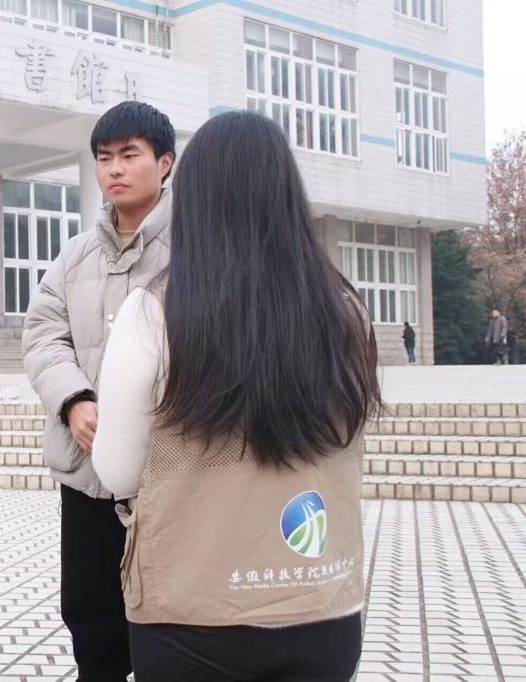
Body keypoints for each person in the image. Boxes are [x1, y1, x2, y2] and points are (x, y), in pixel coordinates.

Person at [93, 111, 380, 681]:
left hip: (193, 614)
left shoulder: (152, 312)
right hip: (324, 603)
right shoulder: (347, 311)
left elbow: (118, 471)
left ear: (193, 200)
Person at [23, 101, 176, 681]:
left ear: (165, 163)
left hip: (167, 475)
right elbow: (43, 333)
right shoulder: (75, 255)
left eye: (129, 155)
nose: (114, 168)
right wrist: (74, 399)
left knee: (166, 621)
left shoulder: (198, 249)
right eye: (104, 157)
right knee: (91, 621)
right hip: (87, 474)